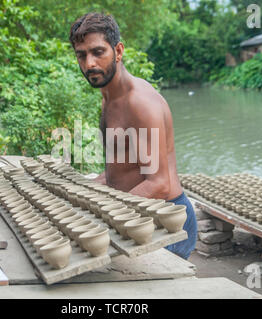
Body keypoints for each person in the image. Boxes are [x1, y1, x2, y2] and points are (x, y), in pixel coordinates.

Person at [69, 12, 197, 260]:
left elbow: (159, 184)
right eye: (81, 55)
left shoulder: (139, 103)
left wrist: (102, 208)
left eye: (98, 52)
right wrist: (82, 192)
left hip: (166, 220)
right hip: (135, 213)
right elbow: (118, 169)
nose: (89, 64)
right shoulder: (109, 97)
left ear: (118, 51)